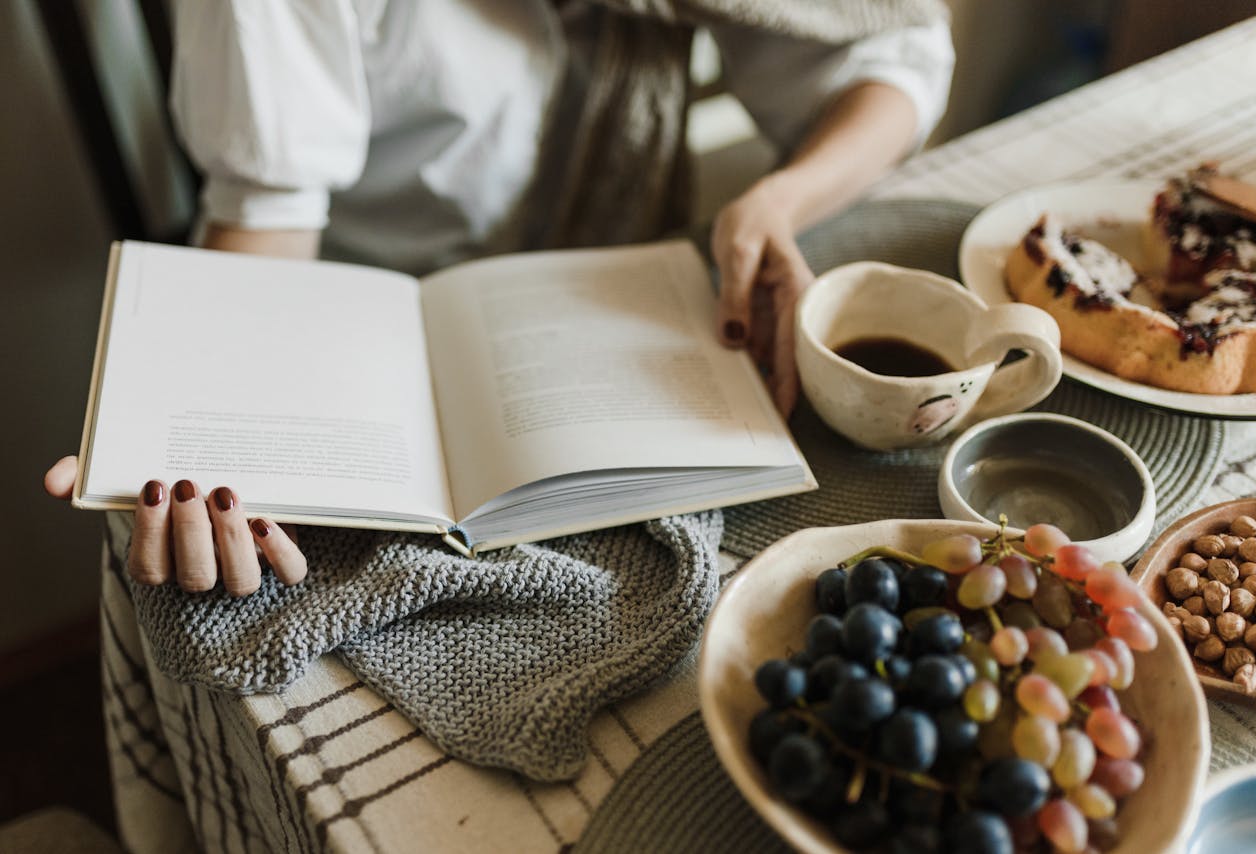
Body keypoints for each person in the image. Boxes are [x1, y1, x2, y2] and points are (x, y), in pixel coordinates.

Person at [44, 0, 955, 595]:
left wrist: (775, 203)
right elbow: (267, 217)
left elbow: (898, 56)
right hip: (356, 319)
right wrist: (203, 429)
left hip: (613, 300)